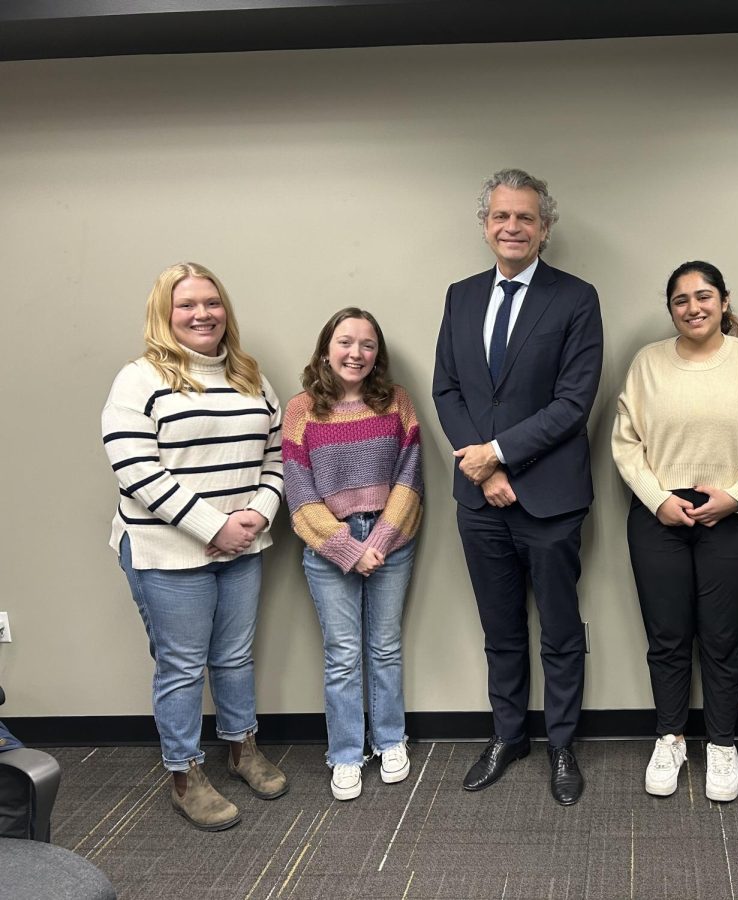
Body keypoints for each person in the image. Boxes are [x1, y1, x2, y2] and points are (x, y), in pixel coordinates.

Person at [432, 168, 603, 806]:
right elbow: (446, 388)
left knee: (559, 629)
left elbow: (573, 401)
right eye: (501, 216)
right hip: (478, 503)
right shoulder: (461, 295)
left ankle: (561, 743)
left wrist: (498, 456)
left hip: (551, 498)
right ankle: (509, 735)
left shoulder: (576, 298)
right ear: (485, 226)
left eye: (525, 217)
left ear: (544, 228)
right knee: (499, 627)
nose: (512, 227)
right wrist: (483, 469)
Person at [102, 262, 288, 831]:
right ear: (165, 315)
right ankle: (185, 775)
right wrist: (214, 526)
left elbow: (277, 456)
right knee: (182, 667)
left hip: (243, 546)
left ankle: (242, 749)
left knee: (233, 657)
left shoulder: (250, 375)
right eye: (186, 305)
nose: (202, 314)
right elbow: (135, 470)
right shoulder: (139, 379)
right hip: (166, 550)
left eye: (211, 302)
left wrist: (256, 514)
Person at [611, 261, 738, 802]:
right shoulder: (648, 363)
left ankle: (722, 745)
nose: (694, 307)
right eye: (681, 300)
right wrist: (659, 500)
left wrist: (735, 496)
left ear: (725, 301)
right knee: (667, 637)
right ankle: (670, 737)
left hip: (731, 513)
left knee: (722, 638)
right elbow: (626, 443)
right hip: (659, 513)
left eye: (704, 296)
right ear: (672, 310)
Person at [282, 308, 423, 801]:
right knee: (343, 655)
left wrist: (379, 542)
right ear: (326, 349)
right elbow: (298, 495)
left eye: (367, 345)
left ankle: (389, 740)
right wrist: (346, 548)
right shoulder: (301, 409)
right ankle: (345, 753)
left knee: (385, 648)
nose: (355, 353)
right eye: (345, 342)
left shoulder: (396, 403)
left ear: (377, 354)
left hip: (391, 540)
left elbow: (410, 476)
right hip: (327, 546)